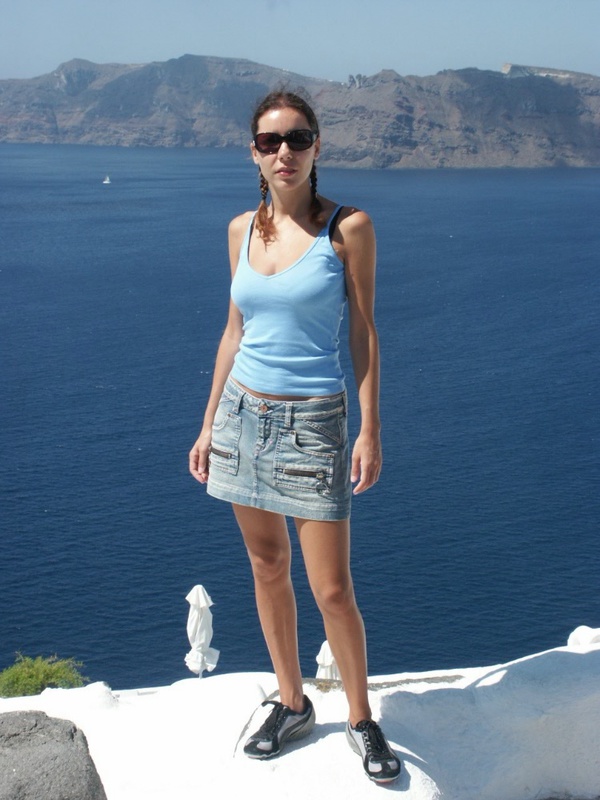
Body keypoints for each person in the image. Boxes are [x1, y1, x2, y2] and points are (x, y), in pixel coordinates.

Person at [189, 89, 400, 783]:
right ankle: (291, 702)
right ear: (253, 152)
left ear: (317, 147)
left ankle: (362, 719)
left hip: (313, 425)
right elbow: (234, 332)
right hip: (240, 420)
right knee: (266, 567)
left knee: (332, 590)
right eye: (271, 141)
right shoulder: (239, 231)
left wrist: (369, 428)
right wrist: (208, 423)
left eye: (298, 138)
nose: (285, 151)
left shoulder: (348, 228)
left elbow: (364, 333)